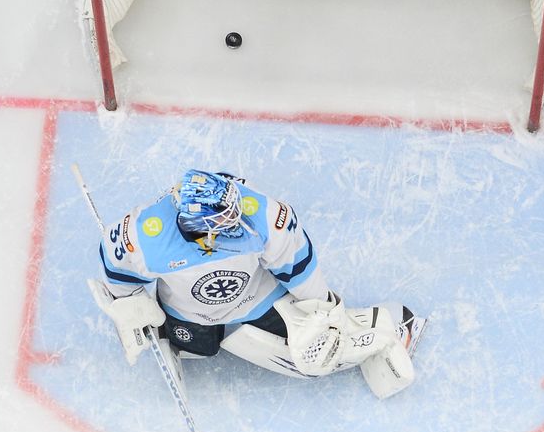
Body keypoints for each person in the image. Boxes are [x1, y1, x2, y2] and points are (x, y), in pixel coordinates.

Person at [87, 169, 426, 399]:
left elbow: (299, 264)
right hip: (186, 312)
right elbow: (115, 264)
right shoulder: (145, 236)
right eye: (224, 220)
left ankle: (386, 325)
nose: (237, 221)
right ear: (195, 224)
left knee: (309, 362)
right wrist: (130, 308)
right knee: (197, 350)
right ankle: (189, 337)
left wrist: (325, 311)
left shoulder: (263, 215)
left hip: (257, 300)